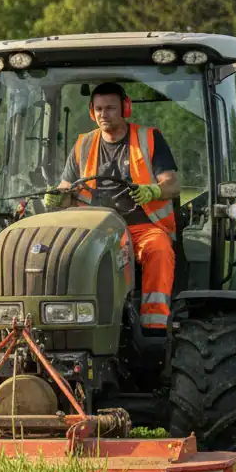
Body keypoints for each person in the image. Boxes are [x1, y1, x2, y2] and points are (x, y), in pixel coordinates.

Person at [44, 81, 180, 332]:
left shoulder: (149, 138)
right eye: (99, 109)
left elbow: (172, 183)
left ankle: (154, 325)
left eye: (110, 108)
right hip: (94, 228)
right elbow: (66, 189)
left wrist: (154, 190)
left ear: (125, 108)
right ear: (91, 112)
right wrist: (56, 196)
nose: (104, 114)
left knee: (158, 248)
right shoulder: (83, 144)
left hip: (140, 226)